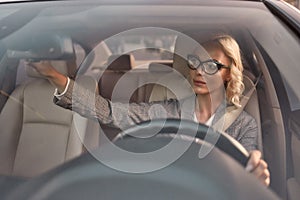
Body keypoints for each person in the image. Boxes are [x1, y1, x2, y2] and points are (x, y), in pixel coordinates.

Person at [27, 34, 270, 186]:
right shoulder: (167, 111)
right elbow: (109, 112)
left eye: (212, 65)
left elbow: (247, 175)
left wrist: (256, 175)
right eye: (194, 62)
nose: (199, 71)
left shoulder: (244, 124)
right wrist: (55, 76)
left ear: (229, 72)